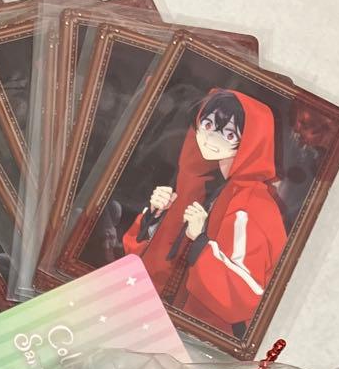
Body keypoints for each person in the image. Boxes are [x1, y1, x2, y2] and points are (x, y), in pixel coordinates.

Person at [122, 90, 287, 339]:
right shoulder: (202, 181)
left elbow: (244, 298)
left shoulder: (252, 205)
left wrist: (200, 241)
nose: (211, 138)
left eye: (229, 134)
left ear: (252, 142)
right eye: (207, 125)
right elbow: (148, 260)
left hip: (201, 338)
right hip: (157, 317)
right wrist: (154, 218)